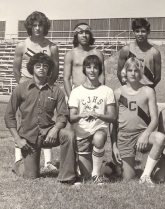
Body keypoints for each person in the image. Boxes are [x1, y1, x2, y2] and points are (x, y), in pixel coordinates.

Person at [5, 53, 77, 184]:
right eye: (38, 66)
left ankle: (67, 177)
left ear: (49, 69)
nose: (42, 68)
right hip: (29, 138)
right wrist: (18, 139)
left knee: (69, 135)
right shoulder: (21, 89)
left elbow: (63, 114)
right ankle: (18, 165)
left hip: (48, 134)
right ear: (32, 68)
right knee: (31, 176)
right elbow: (9, 115)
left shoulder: (56, 91)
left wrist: (55, 129)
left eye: (45, 66)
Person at [12, 11, 59, 171]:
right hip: (27, 85)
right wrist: (23, 85)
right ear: (30, 27)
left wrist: (47, 87)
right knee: (22, 121)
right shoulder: (22, 45)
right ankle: (18, 159)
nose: (37, 28)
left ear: (45, 27)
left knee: (45, 119)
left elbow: (56, 70)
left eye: (41, 25)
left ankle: (48, 162)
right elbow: (16, 69)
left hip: (44, 86)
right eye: (34, 25)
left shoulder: (52, 46)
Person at [111, 57, 165, 182]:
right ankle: (111, 167)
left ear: (140, 72)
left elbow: (155, 119)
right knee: (128, 178)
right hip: (125, 137)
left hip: (143, 136)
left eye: (136, 70)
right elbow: (113, 123)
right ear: (125, 72)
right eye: (129, 70)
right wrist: (114, 145)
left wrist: (145, 134)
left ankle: (145, 176)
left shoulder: (148, 91)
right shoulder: (118, 93)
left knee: (160, 138)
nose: (133, 73)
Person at [68, 55, 116, 184]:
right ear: (84, 69)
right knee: (85, 177)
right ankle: (106, 168)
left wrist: (98, 115)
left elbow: (112, 117)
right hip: (82, 134)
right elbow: (71, 117)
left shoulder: (107, 91)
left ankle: (97, 174)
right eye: (89, 67)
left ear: (100, 70)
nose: (92, 70)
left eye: (96, 67)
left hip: (98, 130)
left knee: (99, 137)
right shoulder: (76, 91)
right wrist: (81, 115)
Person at [63, 23, 106, 97]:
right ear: (76, 35)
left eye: (87, 33)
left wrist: (99, 93)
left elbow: (101, 76)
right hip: (77, 92)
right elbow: (66, 78)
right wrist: (71, 98)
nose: (84, 35)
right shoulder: (70, 54)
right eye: (80, 33)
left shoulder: (97, 53)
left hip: (94, 91)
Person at [117, 18, 161, 88]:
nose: (140, 34)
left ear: (148, 32)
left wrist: (148, 90)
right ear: (133, 32)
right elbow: (119, 73)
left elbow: (157, 77)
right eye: (137, 31)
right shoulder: (126, 50)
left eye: (143, 31)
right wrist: (127, 88)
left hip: (147, 92)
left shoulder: (155, 53)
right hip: (130, 91)